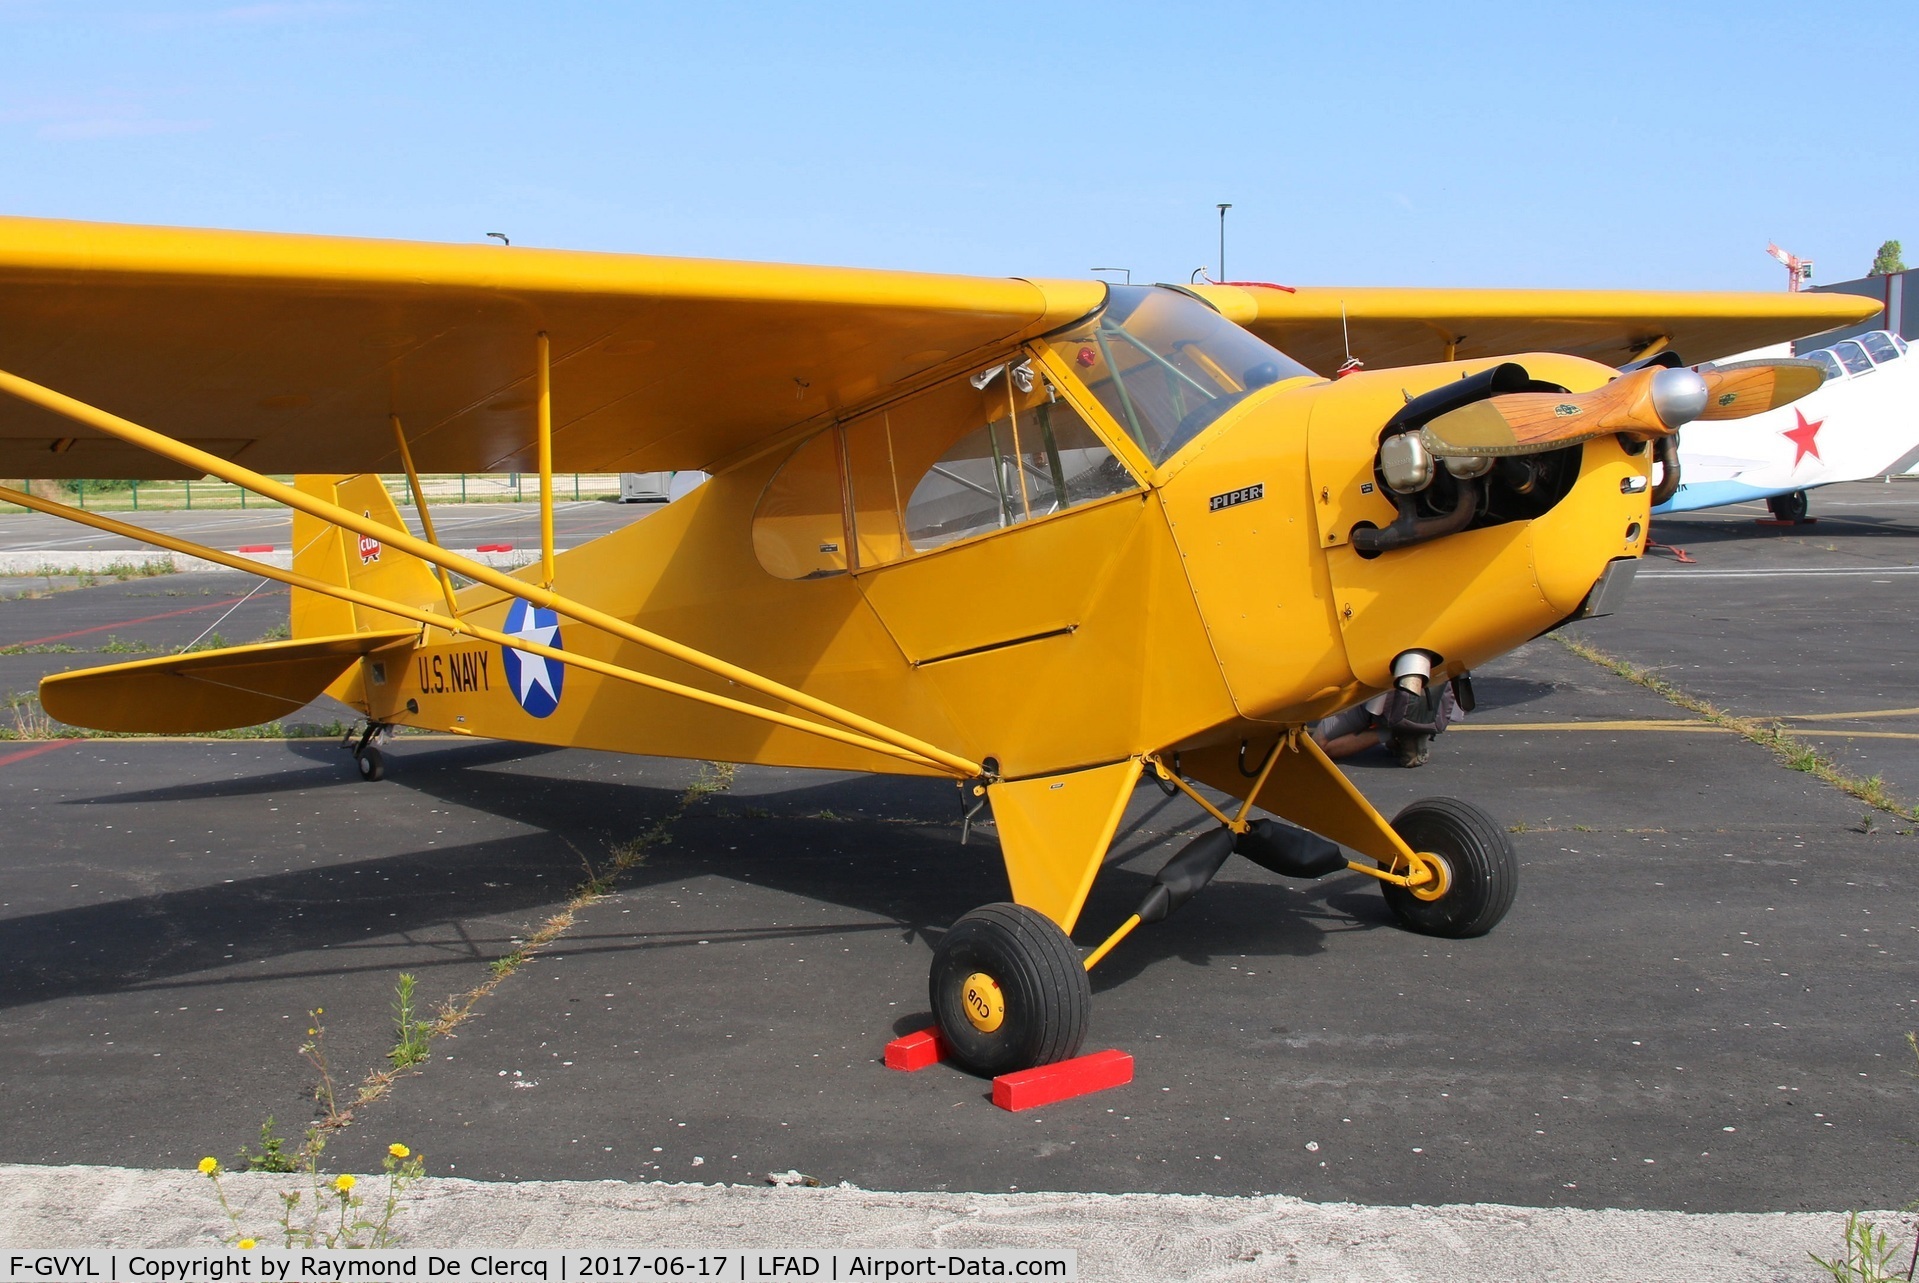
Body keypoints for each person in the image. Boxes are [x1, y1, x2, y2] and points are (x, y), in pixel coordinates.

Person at [1310, 680, 1462, 767]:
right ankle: (1409, 727)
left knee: (1317, 746)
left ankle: (1396, 730)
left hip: (1372, 696)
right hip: (1428, 705)